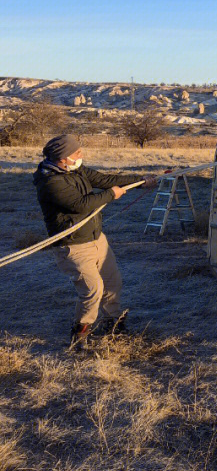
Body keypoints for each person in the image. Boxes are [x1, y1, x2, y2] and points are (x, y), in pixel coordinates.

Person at [33, 134, 157, 351]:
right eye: (76, 153)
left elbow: (106, 180)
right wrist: (111, 195)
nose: (81, 155)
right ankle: (80, 334)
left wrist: (140, 182)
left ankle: (114, 324)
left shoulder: (76, 169)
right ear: (62, 158)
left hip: (98, 239)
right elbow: (80, 205)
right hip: (73, 246)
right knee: (92, 290)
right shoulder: (50, 182)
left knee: (112, 283)